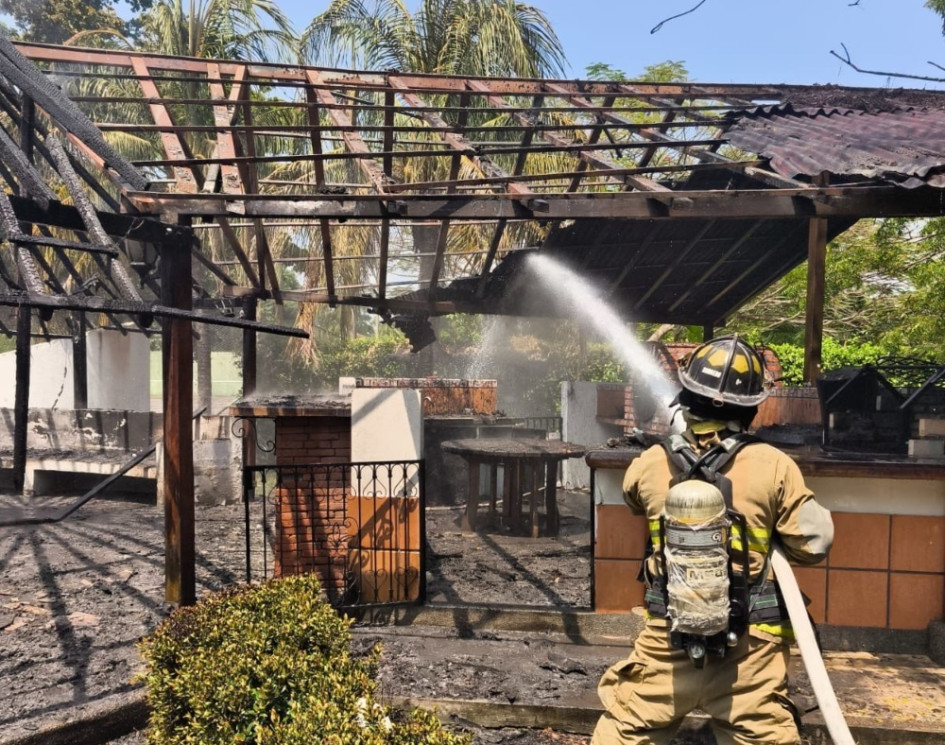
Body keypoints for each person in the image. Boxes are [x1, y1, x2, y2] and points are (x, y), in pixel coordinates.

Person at [592, 335, 834, 745]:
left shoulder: (650, 463)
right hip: (750, 653)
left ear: (685, 398)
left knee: (622, 733)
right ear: (752, 408)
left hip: (667, 643)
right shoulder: (776, 467)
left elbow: (633, 498)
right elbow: (815, 544)